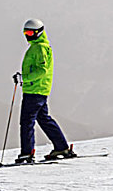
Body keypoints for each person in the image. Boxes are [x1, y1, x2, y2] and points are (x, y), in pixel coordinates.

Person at [13, 18, 76, 163]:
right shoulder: (37, 47)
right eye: (25, 32)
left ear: (39, 32)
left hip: (35, 90)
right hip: (38, 90)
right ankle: (62, 147)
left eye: (30, 32)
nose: (28, 35)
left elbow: (42, 70)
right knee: (44, 119)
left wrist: (24, 78)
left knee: (27, 121)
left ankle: (27, 153)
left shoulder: (40, 48)